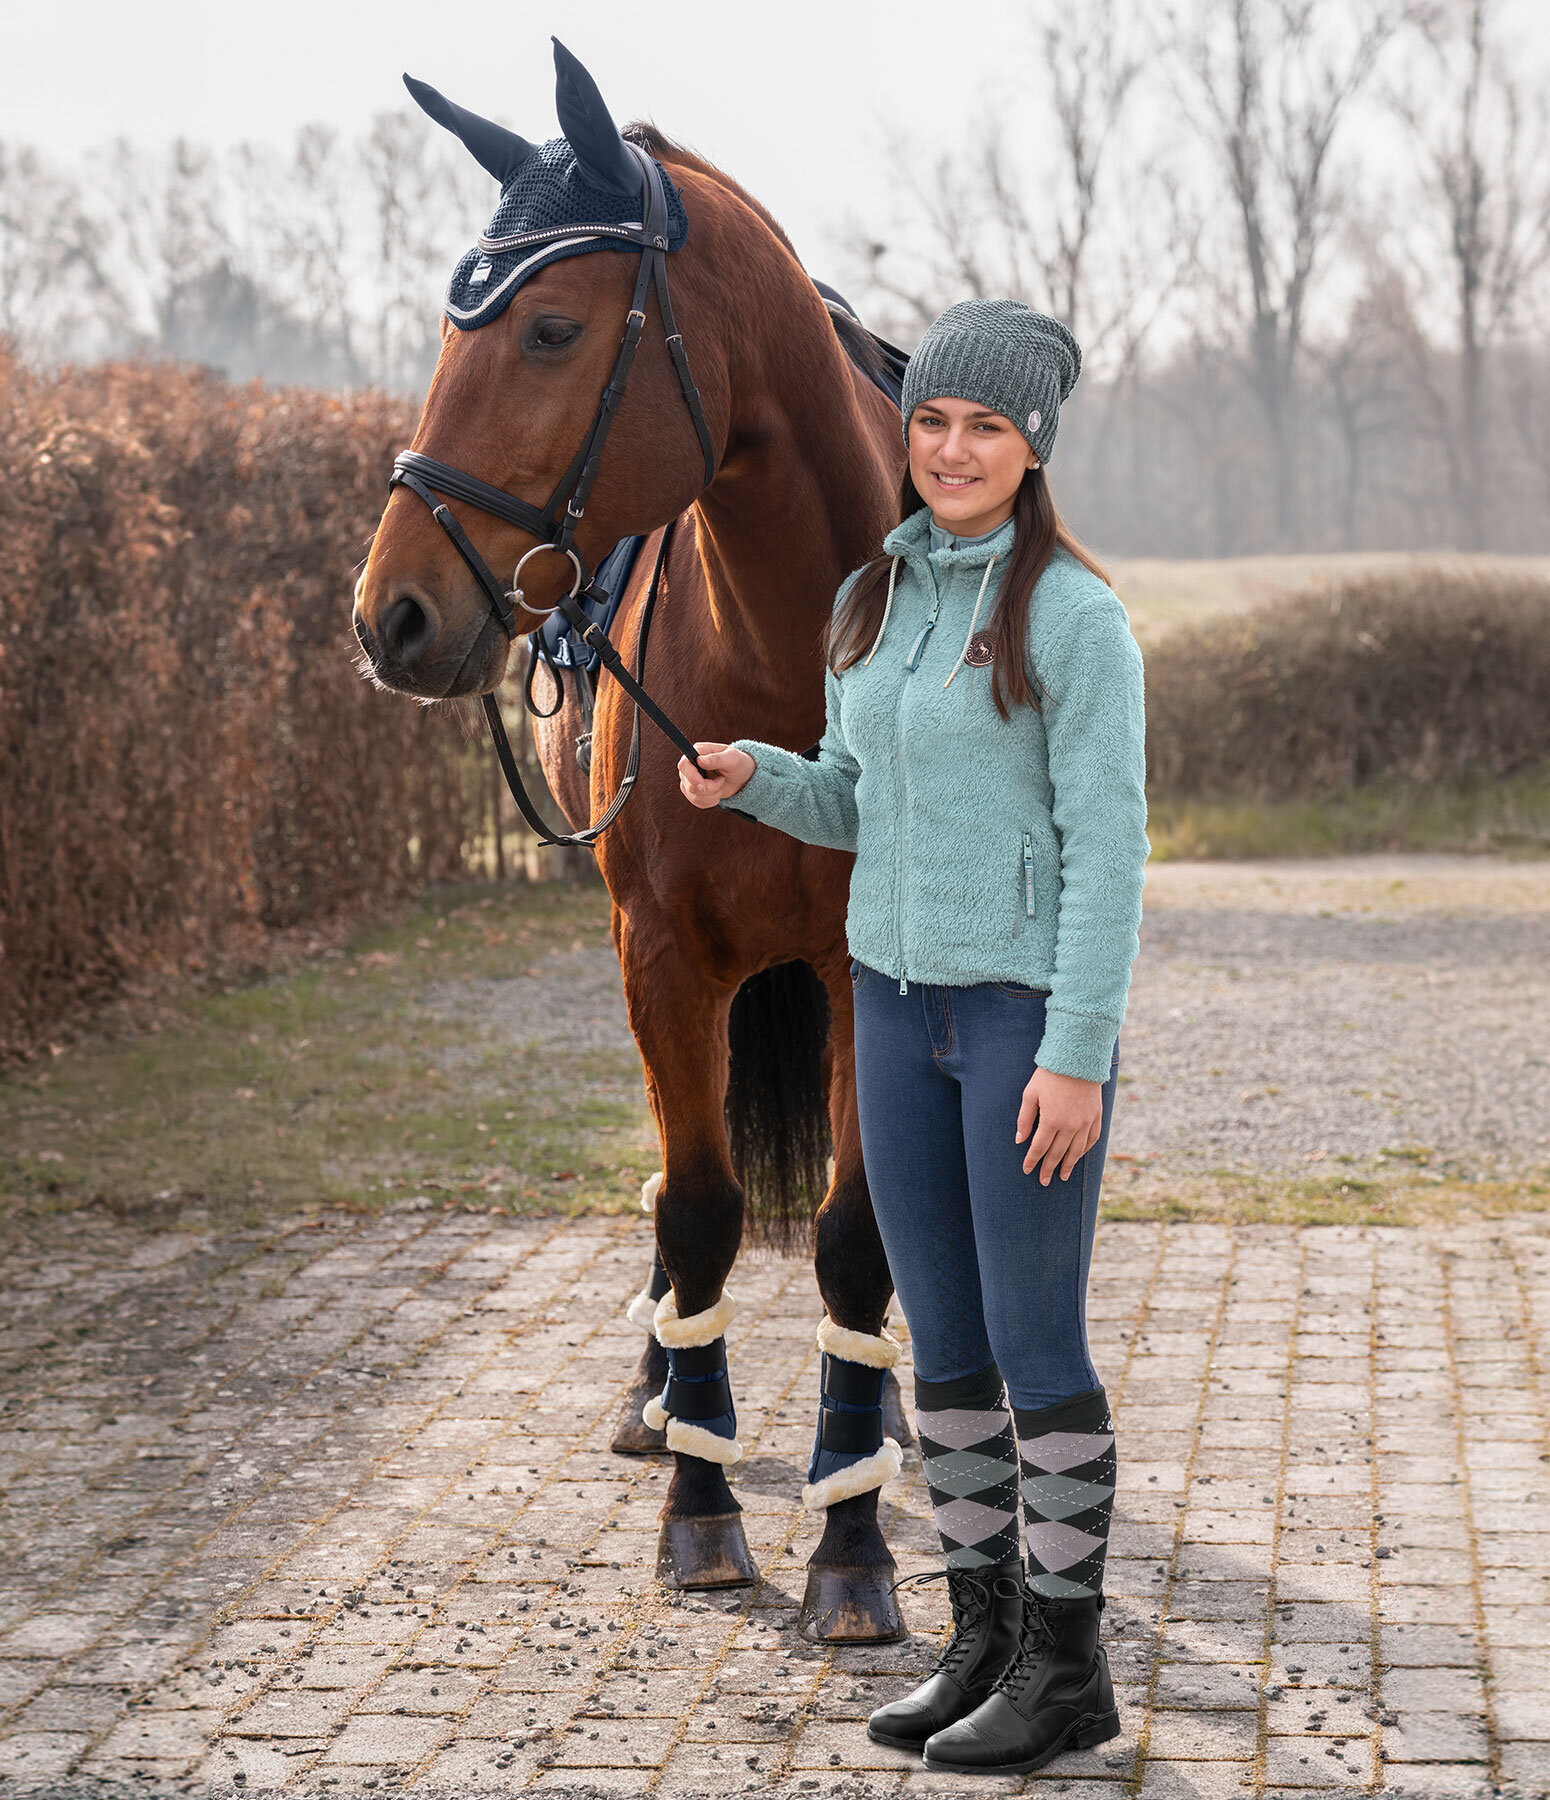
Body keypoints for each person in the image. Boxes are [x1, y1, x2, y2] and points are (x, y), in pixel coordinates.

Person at [678, 298, 1148, 1777]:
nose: (950, 449)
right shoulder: (868, 602)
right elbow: (851, 803)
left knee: (1031, 1345)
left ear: (1031, 449)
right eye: (933, 420)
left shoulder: (1075, 620)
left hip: (1020, 1026)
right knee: (938, 1348)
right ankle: (980, 1642)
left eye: (985, 428)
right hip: (889, 1006)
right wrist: (756, 775)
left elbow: (1111, 852)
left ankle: (1066, 1670)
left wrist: (1075, 1050)